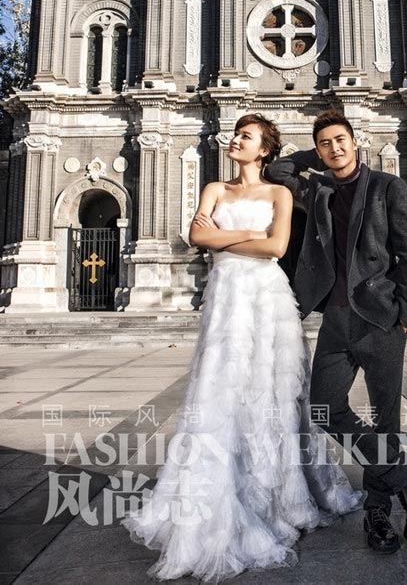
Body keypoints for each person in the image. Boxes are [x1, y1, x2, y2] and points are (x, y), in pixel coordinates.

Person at [122, 113, 362, 582]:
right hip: (227, 296)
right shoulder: (214, 187)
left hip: (268, 300)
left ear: (265, 150)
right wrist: (248, 236)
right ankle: (218, 488)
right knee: (221, 387)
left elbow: (276, 248)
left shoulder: (279, 193)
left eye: (246, 137)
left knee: (272, 391)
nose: (235, 140)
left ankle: (278, 494)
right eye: (236, 134)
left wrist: (229, 240)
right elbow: (197, 237)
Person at [264, 108, 407, 554]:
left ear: (356, 141)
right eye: (325, 143)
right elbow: (276, 169)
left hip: (380, 317)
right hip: (335, 319)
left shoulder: (386, 187)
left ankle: (377, 516)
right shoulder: (316, 188)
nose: (334, 148)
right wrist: (313, 156)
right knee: (323, 408)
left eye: (341, 140)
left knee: (385, 419)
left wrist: (405, 310)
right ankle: (405, 476)